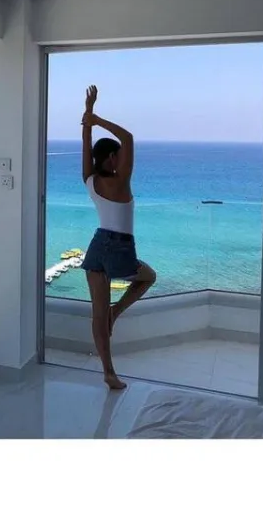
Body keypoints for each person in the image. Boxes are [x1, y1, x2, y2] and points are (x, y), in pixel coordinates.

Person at [80, 85, 157, 390]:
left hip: (97, 245)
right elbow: (129, 138)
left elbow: (86, 148)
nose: (121, 159)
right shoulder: (121, 180)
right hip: (120, 248)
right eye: (118, 156)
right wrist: (97, 119)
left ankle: (109, 373)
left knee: (97, 314)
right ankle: (117, 311)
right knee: (149, 277)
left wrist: (88, 119)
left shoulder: (89, 180)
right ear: (112, 158)